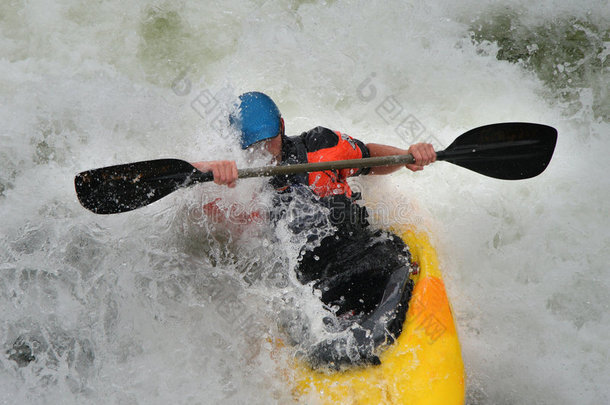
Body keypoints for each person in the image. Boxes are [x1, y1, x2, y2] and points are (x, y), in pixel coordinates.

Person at [193, 92, 436, 368]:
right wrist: (209, 171)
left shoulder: (322, 145)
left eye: (269, 141)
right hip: (306, 281)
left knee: (391, 254)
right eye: (254, 146)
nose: (263, 152)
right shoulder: (236, 180)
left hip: (354, 251)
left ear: (282, 127)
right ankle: (331, 338)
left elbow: (367, 157)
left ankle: (371, 330)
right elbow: (195, 212)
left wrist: (407, 156)